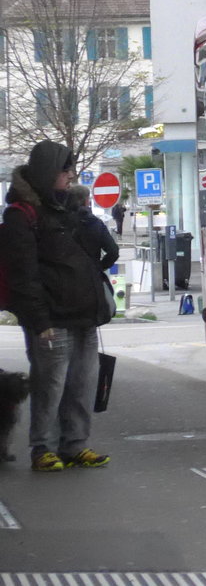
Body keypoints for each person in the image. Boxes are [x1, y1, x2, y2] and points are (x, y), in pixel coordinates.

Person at [2, 141, 114, 471]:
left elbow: (86, 258)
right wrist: (39, 321)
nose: (70, 176)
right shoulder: (22, 215)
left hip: (83, 314)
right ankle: (43, 448)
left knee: (82, 382)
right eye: (65, 171)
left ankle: (75, 444)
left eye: (71, 170)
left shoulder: (69, 209)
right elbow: (24, 274)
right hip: (51, 317)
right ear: (48, 172)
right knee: (50, 385)